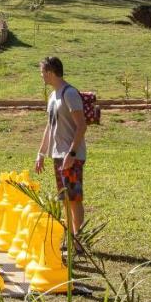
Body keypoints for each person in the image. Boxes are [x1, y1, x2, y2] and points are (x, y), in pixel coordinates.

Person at [33, 56, 88, 251]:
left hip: (70, 155)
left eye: (42, 72)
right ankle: (70, 238)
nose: (41, 76)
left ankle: (79, 241)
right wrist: (41, 153)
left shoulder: (69, 93)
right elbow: (50, 126)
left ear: (50, 72)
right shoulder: (52, 96)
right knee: (65, 199)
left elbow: (82, 125)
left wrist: (71, 153)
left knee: (74, 198)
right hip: (57, 155)